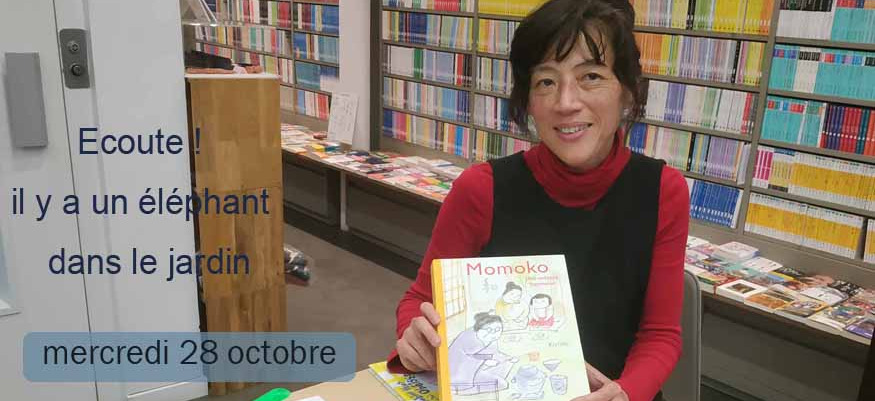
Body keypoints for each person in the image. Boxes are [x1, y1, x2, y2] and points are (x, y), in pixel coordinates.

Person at [387, 0, 689, 400]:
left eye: (591, 76)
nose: (566, 102)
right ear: (528, 100)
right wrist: (415, 337)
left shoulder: (663, 191)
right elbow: (421, 300)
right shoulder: (481, 188)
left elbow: (660, 334)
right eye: (546, 81)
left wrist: (625, 392)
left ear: (628, 92)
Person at [447, 312, 518, 395]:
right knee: (502, 384)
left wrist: (506, 358)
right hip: (459, 376)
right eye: (489, 330)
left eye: (498, 329)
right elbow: (469, 357)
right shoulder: (470, 338)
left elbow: (492, 353)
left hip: (474, 371)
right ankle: (459, 391)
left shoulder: (489, 338)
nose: (494, 333)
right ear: (479, 328)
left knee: (502, 371)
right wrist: (485, 361)